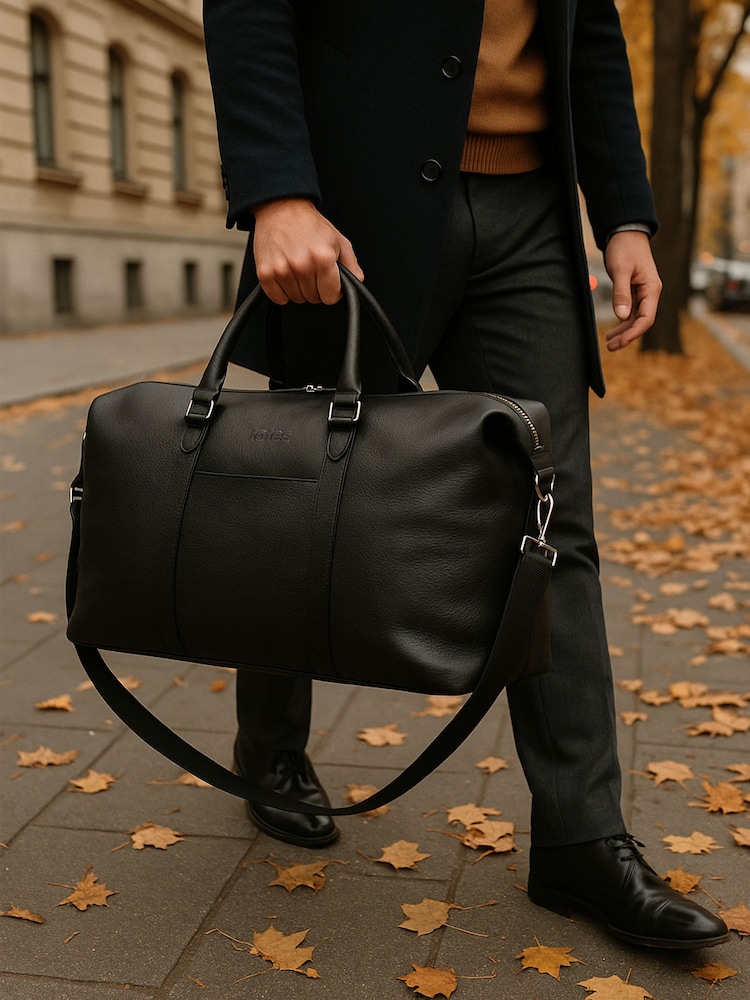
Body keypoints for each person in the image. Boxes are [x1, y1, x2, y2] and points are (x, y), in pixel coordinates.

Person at [203, 0, 729, 949]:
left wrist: (625, 214)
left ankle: (581, 836)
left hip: (531, 212)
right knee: (307, 500)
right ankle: (272, 751)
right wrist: (277, 189)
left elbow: (592, 32)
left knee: (552, 520)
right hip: (351, 204)